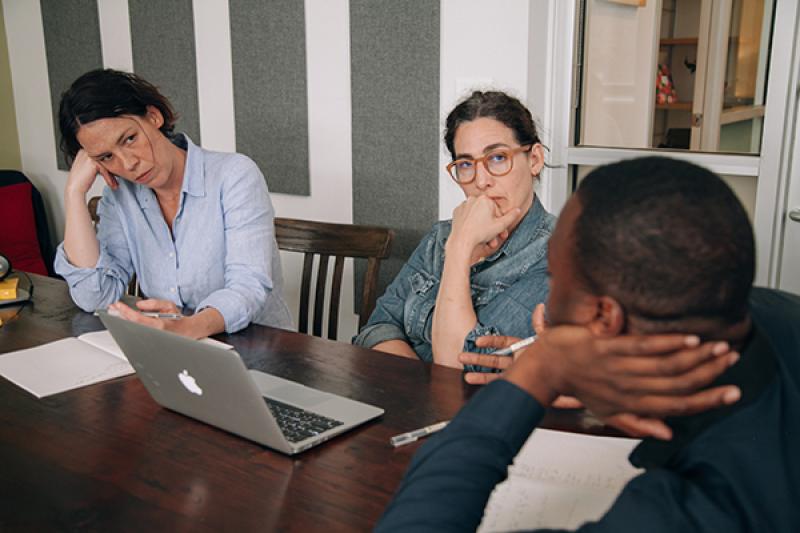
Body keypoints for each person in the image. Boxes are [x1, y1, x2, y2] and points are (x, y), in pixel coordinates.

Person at [377, 157, 800, 532]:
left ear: (603, 318)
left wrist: (538, 371)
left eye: (556, 277)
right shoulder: (769, 314)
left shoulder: (692, 512)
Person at [54, 69, 293, 338]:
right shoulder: (120, 194)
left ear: (154, 116)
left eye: (130, 139)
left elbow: (248, 286)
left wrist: (187, 327)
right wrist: (74, 194)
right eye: (107, 157)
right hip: (175, 350)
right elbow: (95, 296)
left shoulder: (234, 175)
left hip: (259, 351)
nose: (128, 164)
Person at [353, 91, 554, 369]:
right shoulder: (440, 237)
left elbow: (462, 368)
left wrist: (460, 248)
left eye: (497, 158)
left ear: (534, 159)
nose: (481, 181)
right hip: (414, 404)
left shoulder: (559, 257)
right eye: (466, 164)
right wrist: (420, 392)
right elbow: (376, 328)